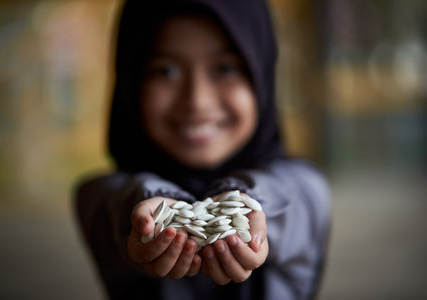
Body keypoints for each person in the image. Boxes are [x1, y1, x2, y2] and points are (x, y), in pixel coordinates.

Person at [74, 0, 331, 299]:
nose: (197, 101)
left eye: (225, 68)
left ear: (261, 77)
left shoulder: (304, 184)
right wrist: (154, 213)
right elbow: (117, 211)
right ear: (130, 81)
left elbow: (289, 202)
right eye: (166, 70)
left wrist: (250, 205)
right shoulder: (102, 197)